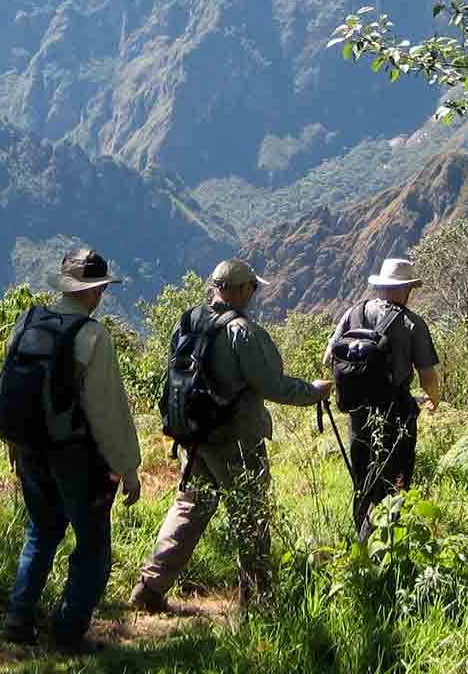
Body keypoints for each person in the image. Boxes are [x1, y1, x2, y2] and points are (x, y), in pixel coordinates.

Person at [129, 259, 331, 612]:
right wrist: (313, 392)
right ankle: (257, 600)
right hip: (237, 440)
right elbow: (272, 384)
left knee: (190, 507)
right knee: (251, 514)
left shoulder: (190, 321)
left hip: (196, 435)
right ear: (240, 290)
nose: (254, 293)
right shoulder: (243, 332)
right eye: (252, 287)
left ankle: (150, 587)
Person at [3, 248, 142, 653]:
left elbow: (9, 386)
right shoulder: (93, 337)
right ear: (97, 290)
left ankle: (19, 617)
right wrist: (128, 468)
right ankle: (67, 631)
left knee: (42, 531)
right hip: (75, 455)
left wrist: (14, 440)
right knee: (93, 544)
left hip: (30, 446)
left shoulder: (26, 322)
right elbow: (108, 411)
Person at [326, 257, 441, 540]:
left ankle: (362, 540)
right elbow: (427, 374)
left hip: (358, 413)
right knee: (396, 477)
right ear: (406, 289)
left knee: (362, 477)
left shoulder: (353, 313)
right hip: (396, 410)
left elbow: (329, 356)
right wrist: (433, 399)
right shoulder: (413, 324)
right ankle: (392, 542)